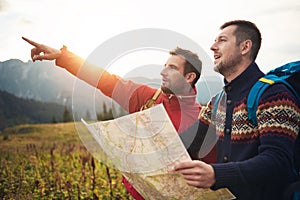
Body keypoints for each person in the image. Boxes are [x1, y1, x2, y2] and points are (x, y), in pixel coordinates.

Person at [22, 37, 210, 199]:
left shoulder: (202, 118)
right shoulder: (147, 98)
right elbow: (105, 80)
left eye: (172, 68)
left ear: (189, 77)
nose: (162, 72)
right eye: (164, 66)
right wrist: (64, 57)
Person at [173, 20, 300, 199]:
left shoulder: (274, 95)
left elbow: (278, 161)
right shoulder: (217, 101)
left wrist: (216, 175)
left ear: (245, 47)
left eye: (222, 40)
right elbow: (189, 143)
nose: (212, 47)